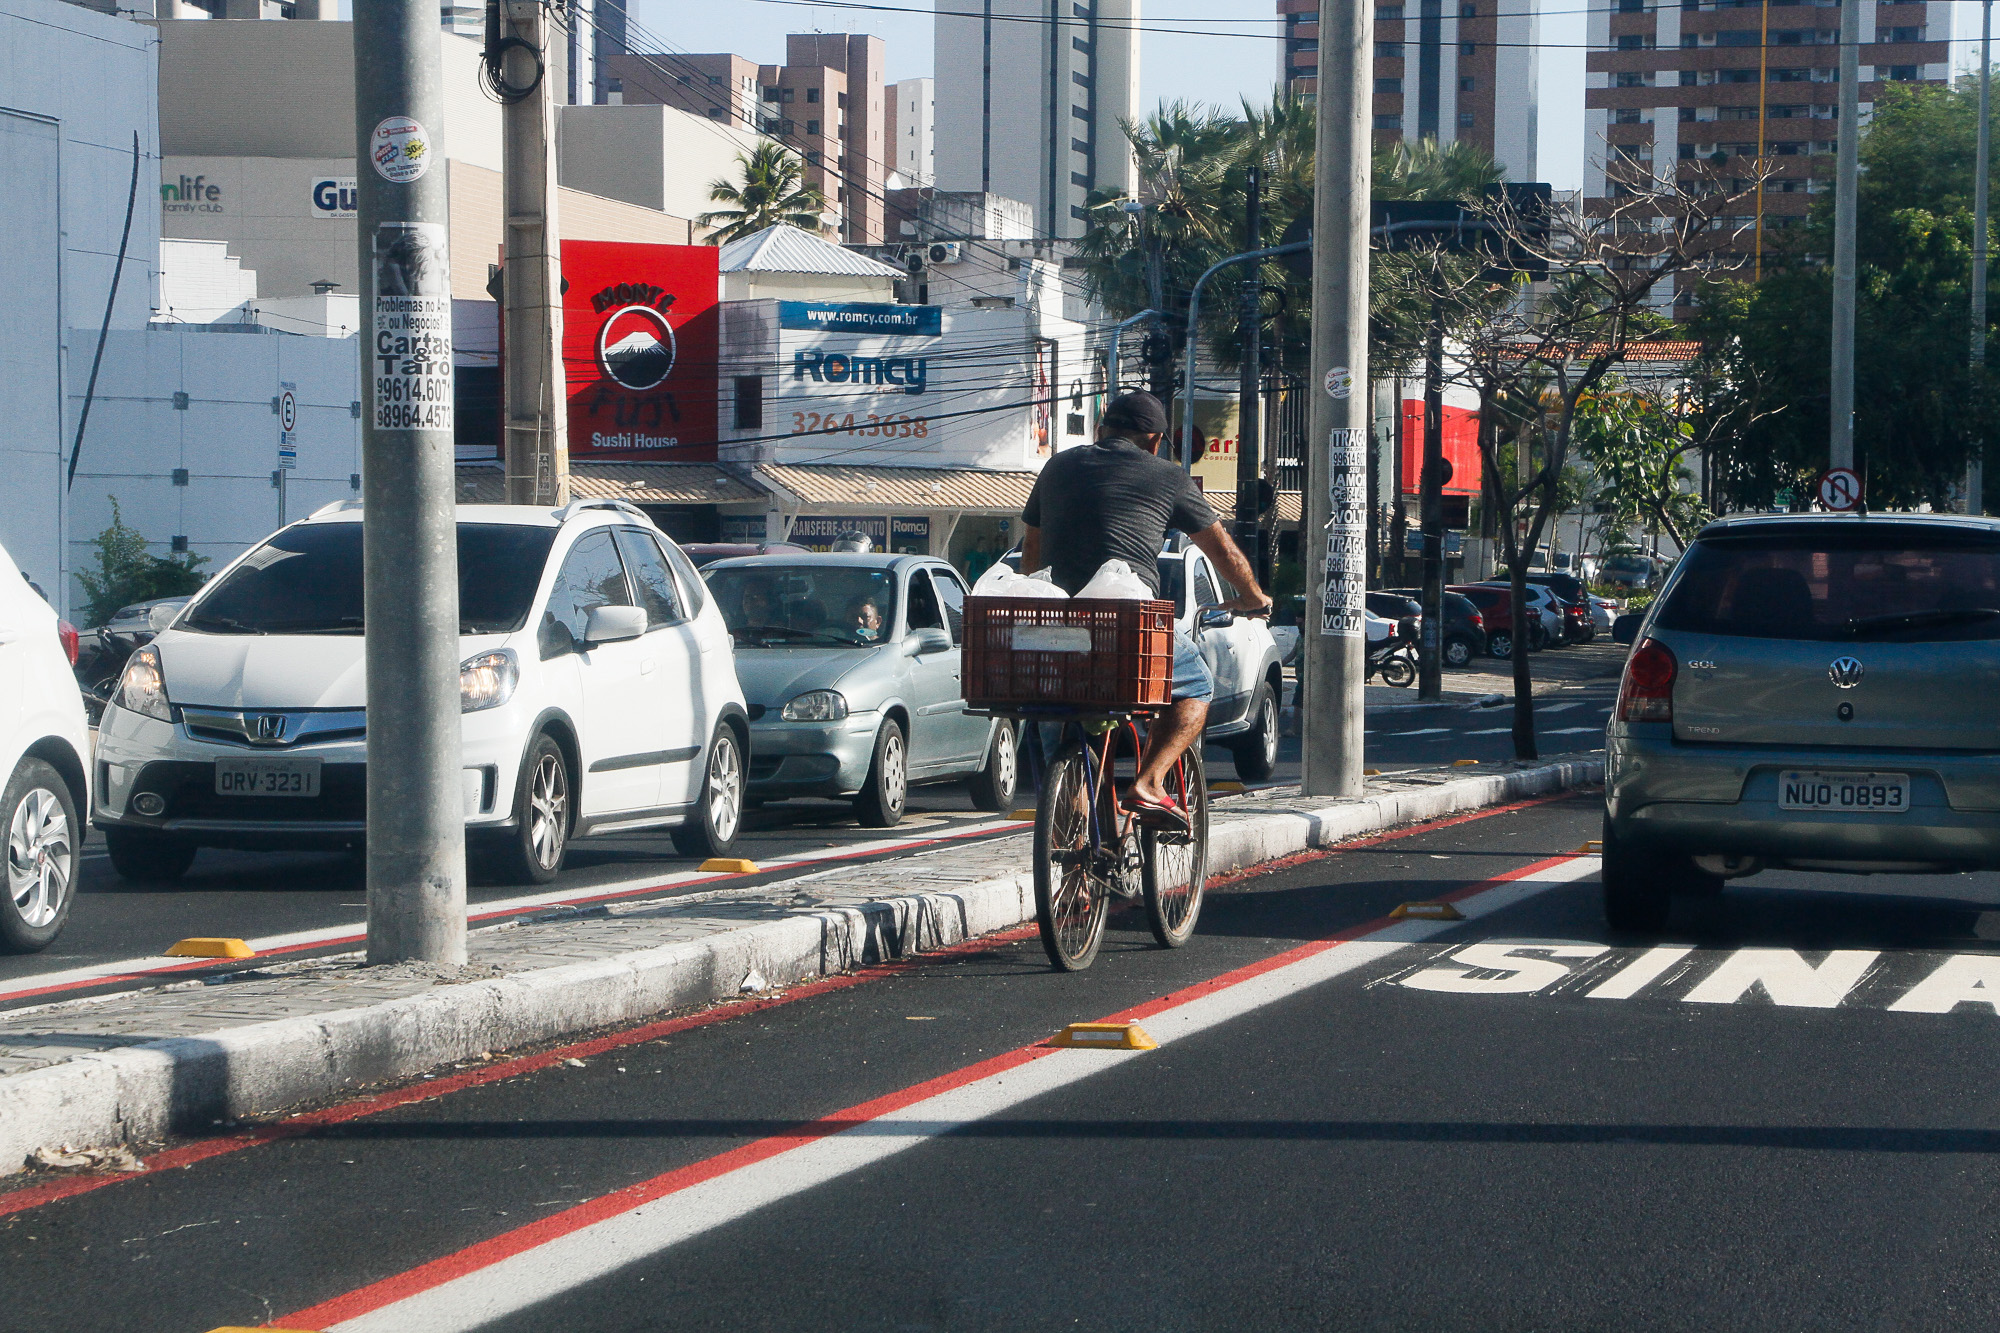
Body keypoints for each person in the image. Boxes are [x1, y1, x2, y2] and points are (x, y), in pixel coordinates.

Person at [1021, 389, 1272, 825]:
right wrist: (1253, 597)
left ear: (1101, 431)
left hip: (1058, 627)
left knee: (1059, 711)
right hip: (1129, 623)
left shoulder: (1057, 466)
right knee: (1196, 686)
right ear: (1155, 440)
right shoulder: (1167, 476)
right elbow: (1223, 553)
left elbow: (1030, 558)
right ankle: (1149, 782)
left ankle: (1070, 834)